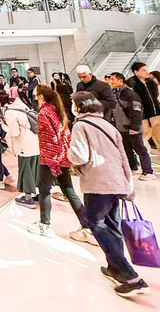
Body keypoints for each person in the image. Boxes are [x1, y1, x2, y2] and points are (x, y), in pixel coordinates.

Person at [67, 92, 149, 298]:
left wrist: (67, 154)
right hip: (117, 182)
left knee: (98, 225)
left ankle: (130, 277)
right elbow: (124, 157)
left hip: (98, 184)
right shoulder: (109, 126)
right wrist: (129, 186)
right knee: (113, 225)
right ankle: (113, 267)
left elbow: (79, 155)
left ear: (79, 106)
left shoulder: (80, 125)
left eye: (72, 104)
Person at [27, 84, 90, 240]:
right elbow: (63, 134)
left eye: (36, 95)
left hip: (50, 159)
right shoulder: (56, 110)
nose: (34, 98)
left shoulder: (44, 113)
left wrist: (52, 158)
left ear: (41, 96)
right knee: (69, 190)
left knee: (44, 190)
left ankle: (45, 224)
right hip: (62, 157)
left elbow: (50, 138)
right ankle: (88, 225)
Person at [108, 72, 154, 180]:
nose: (110, 81)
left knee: (140, 150)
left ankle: (148, 171)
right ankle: (133, 167)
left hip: (132, 128)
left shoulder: (130, 94)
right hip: (120, 128)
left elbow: (136, 111)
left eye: (113, 79)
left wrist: (134, 127)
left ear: (120, 81)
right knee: (126, 149)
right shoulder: (113, 93)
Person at [4, 89, 40, 208]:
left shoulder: (10, 112)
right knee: (35, 168)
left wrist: (4, 128)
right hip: (34, 142)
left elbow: (14, 132)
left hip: (24, 145)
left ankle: (28, 198)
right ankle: (40, 194)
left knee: (26, 170)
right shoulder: (25, 108)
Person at [126, 61, 160, 150]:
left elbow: (155, 95)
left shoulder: (151, 82)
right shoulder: (132, 83)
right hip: (142, 114)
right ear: (136, 72)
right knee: (146, 133)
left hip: (155, 111)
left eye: (146, 70)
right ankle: (138, 151)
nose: (147, 72)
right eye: (144, 70)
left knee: (157, 134)